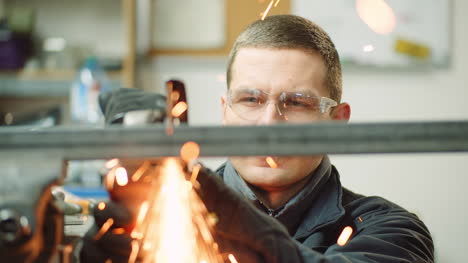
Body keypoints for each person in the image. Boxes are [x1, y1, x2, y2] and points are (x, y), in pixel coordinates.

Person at [81, 15, 434, 262]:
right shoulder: (160, 213)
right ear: (225, 111)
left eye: (297, 102)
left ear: (337, 120)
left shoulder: (391, 230)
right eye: (250, 100)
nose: (269, 123)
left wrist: (212, 205)